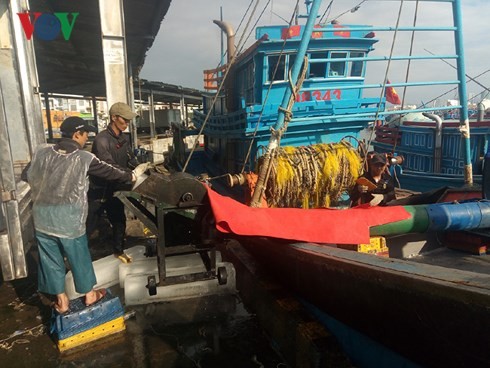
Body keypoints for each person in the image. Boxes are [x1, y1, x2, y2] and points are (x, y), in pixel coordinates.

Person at [23, 116, 145, 314]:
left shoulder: (42, 152)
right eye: (85, 134)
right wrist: (131, 175)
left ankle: (62, 302)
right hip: (68, 217)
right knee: (78, 255)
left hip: (42, 216)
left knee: (50, 258)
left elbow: (26, 176)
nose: (86, 138)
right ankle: (89, 295)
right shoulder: (83, 157)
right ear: (76, 134)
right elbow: (109, 171)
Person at [87, 102, 141, 263]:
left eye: (129, 121)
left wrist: (140, 167)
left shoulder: (123, 138)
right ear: (114, 118)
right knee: (89, 225)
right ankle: (78, 256)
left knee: (119, 221)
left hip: (115, 189)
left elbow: (130, 159)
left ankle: (119, 251)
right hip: (99, 190)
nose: (127, 123)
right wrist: (129, 175)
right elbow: (108, 166)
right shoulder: (101, 140)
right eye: (124, 120)